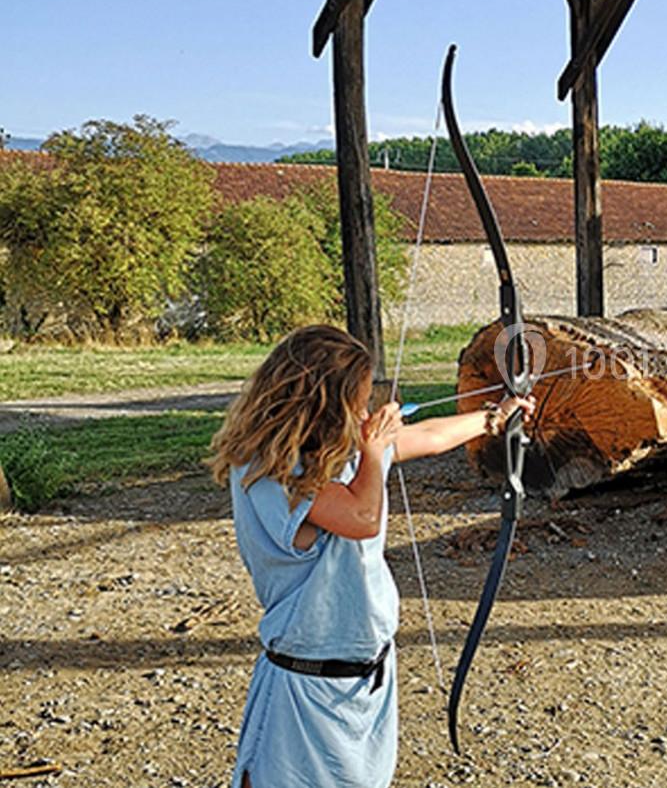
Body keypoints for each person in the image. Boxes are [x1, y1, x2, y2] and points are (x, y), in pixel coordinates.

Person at [207, 324, 533, 788]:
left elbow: (430, 435)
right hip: (306, 693)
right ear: (321, 401)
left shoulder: (335, 453)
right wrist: (374, 448)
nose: (364, 412)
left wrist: (496, 417)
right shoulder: (270, 469)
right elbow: (361, 516)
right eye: (355, 402)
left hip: (364, 683)